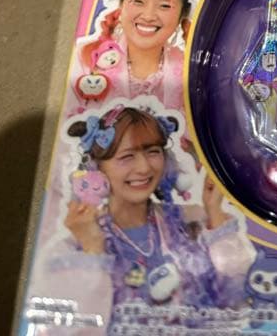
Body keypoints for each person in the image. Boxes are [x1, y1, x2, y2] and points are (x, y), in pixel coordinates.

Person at [59, 104, 251, 323]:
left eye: (153, 152)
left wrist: (215, 213)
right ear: (96, 169)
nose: (144, 168)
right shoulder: (76, 243)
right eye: (127, 156)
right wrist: (93, 251)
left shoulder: (193, 222)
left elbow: (239, 303)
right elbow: (82, 324)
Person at [76, 0, 204, 110]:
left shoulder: (190, 71)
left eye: (164, 6)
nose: (149, 16)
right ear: (121, 4)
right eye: (138, 2)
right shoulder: (84, 57)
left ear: (182, 15)